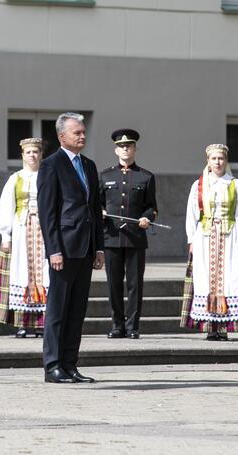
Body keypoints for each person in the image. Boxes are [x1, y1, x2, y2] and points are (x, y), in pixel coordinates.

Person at [37, 112, 104, 384]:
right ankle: (53, 366)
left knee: (77, 310)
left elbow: (95, 211)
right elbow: (47, 212)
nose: (82, 136)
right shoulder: (51, 165)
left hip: (85, 248)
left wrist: (98, 247)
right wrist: (53, 249)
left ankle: (70, 364)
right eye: (77, 132)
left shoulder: (88, 165)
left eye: (84, 131)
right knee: (58, 310)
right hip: (63, 249)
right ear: (62, 136)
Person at [180, 144, 238, 340]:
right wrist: (191, 239)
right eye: (214, 159)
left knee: (229, 279)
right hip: (204, 237)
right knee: (205, 280)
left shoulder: (236, 184)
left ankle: (225, 327)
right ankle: (209, 326)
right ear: (208, 161)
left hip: (229, 237)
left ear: (226, 161)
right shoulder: (199, 185)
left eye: (221, 158)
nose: (218, 162)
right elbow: (192, 214)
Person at [100, 128, 157, 339]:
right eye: (121, 146)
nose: (125, 149)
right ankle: (117, 326)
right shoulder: (105, 176)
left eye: (129, 146)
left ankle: (132, 326)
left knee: (135, 285)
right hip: (112, 238)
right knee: (113, 284)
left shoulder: (146, 177)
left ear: (135, 149)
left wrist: (147, 218)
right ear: (116, 150)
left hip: (135, 238)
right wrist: (100, 212)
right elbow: (97, 204)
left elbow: (151, 207)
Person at [0, 138, 49, 338]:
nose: (32, 155)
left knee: (44, 272)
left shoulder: (48, 176)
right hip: (21, 230)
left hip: (44, 231)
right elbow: (6, 206)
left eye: (36, 151)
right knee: (22, 272)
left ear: (41, 155)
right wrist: (5, 235)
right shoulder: (15, 178)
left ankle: (44, 323)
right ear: (22, 156)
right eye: (28, 152)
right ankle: (23, 323)